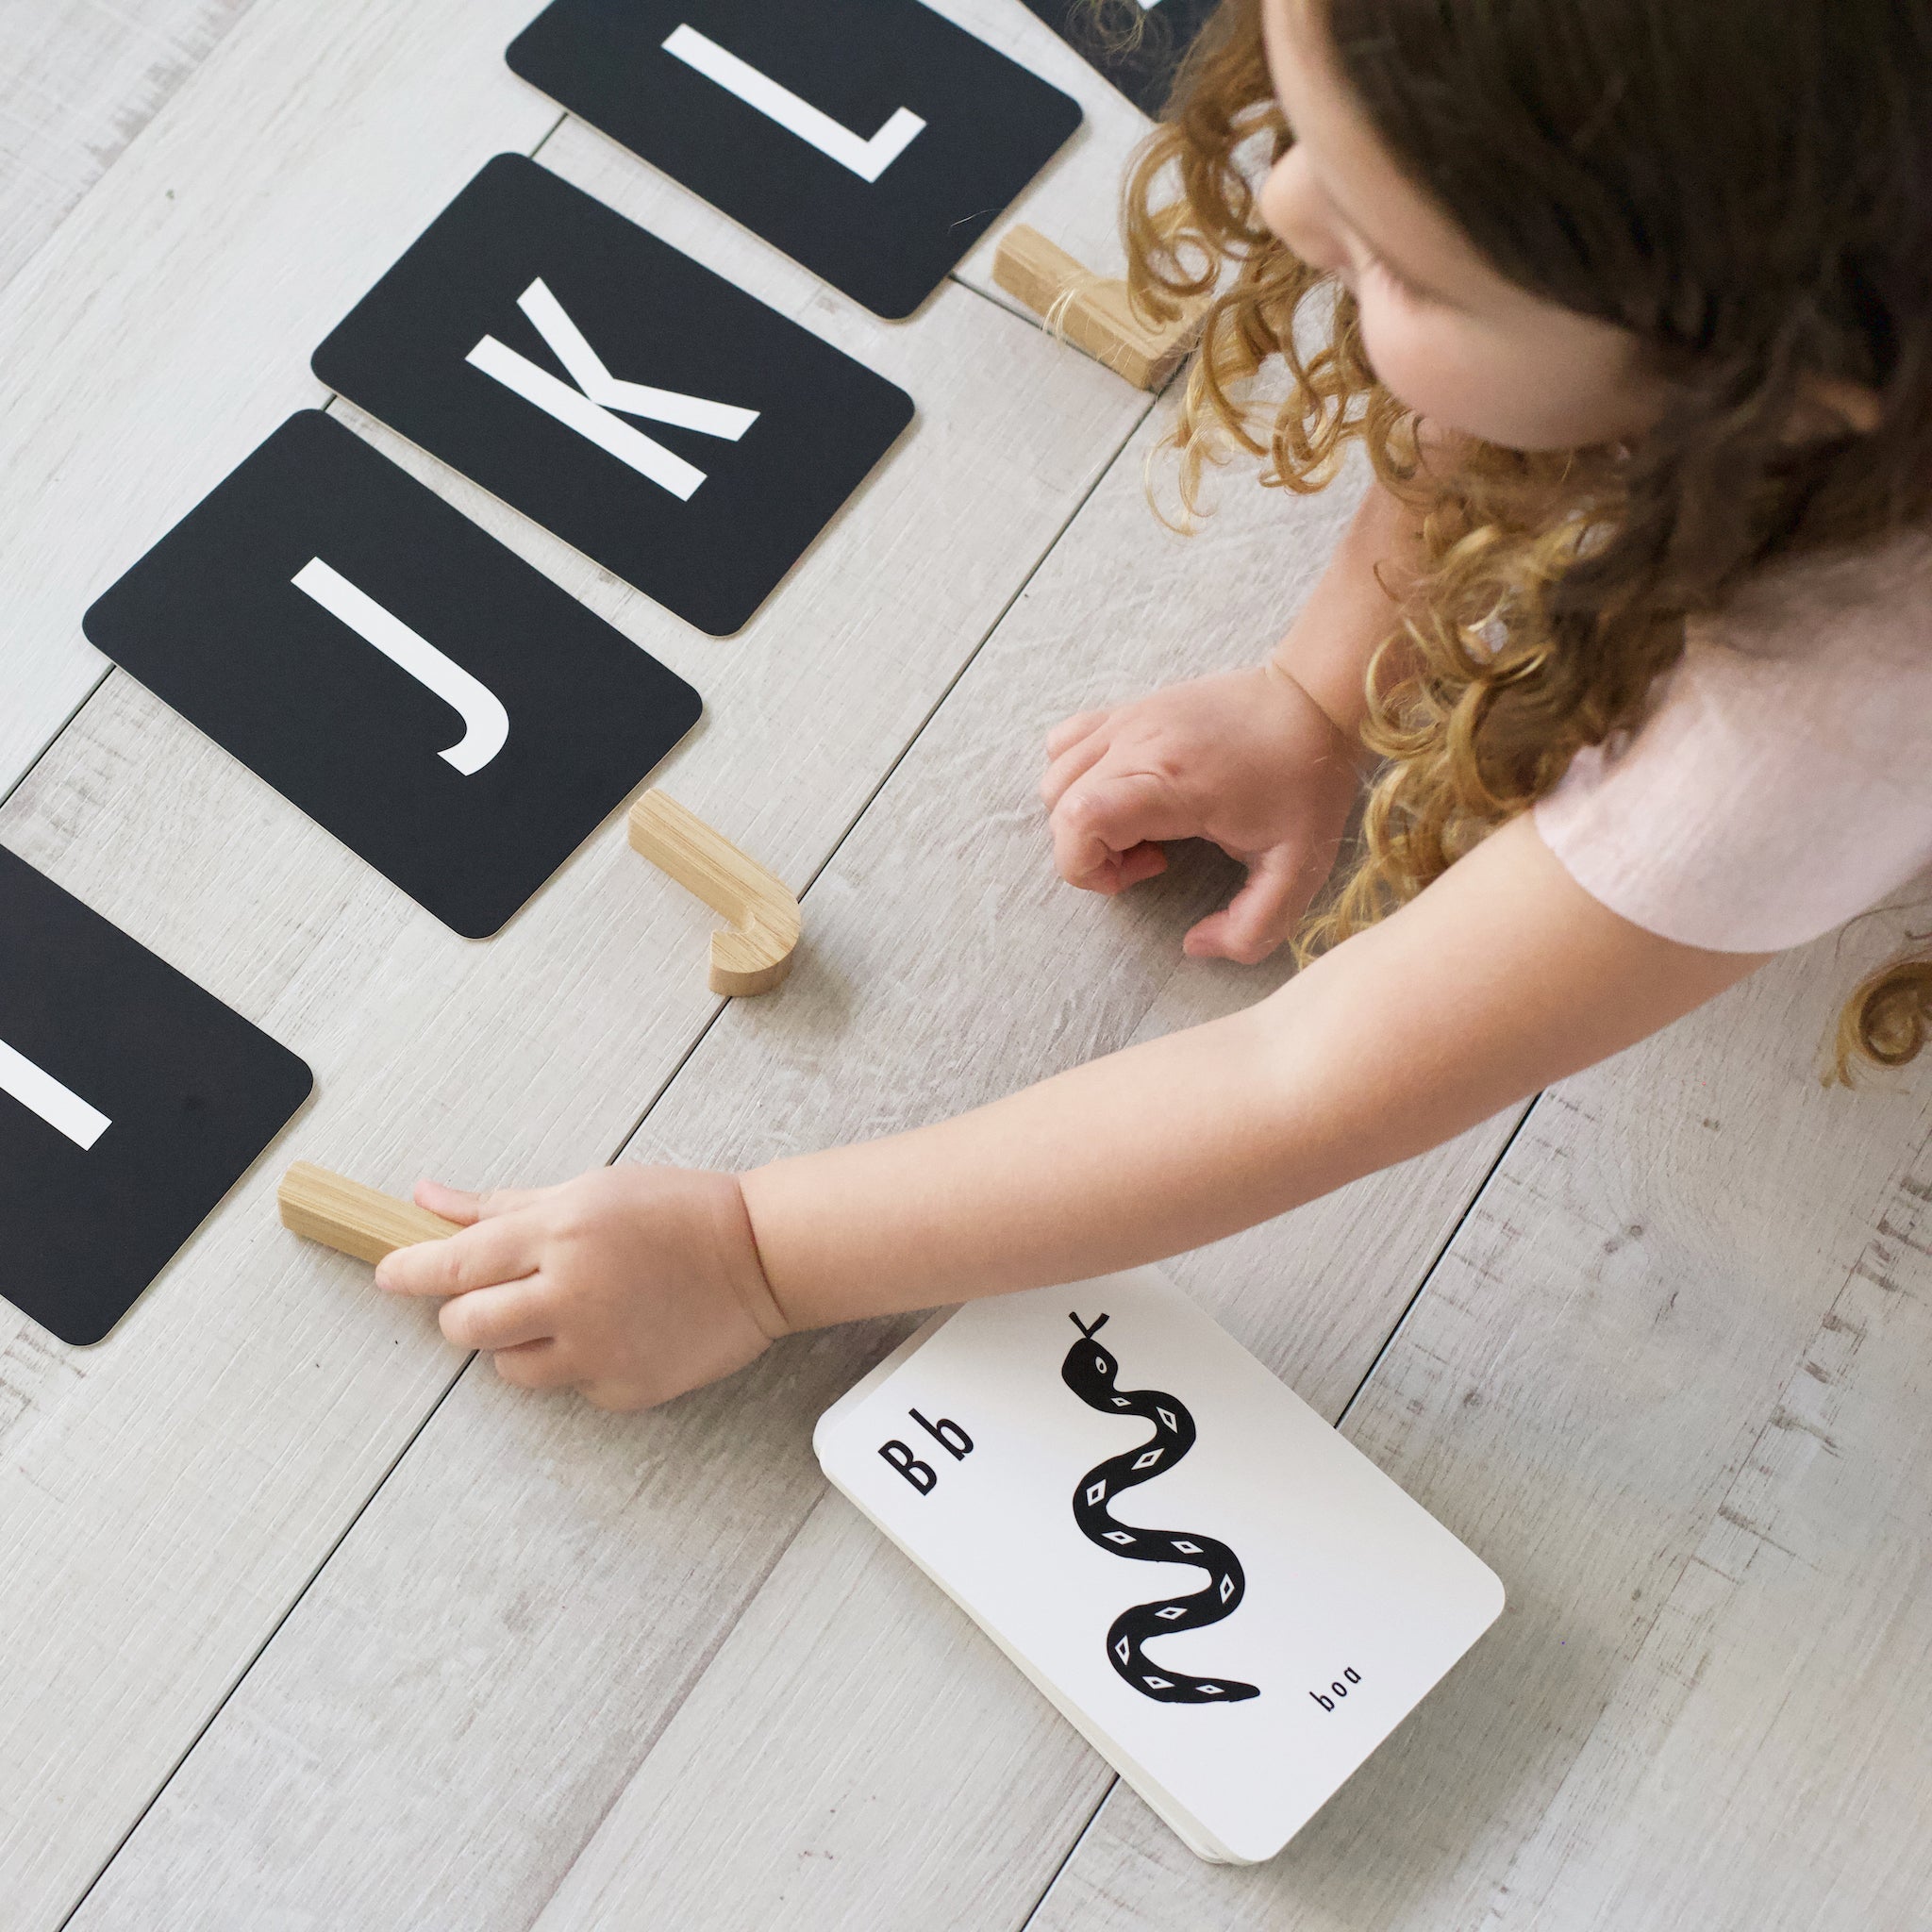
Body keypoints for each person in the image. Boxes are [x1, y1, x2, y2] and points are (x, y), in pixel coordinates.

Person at [376, 0, 1932, 1410]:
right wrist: (1319, 686)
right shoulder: (1735, 271)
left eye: (1404, 264)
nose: (1287, 206)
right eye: (1308, 128)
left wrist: (756, 1255)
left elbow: (1303, 1083)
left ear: (1777, 387)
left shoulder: (1820, 718)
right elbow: (1531, 402)